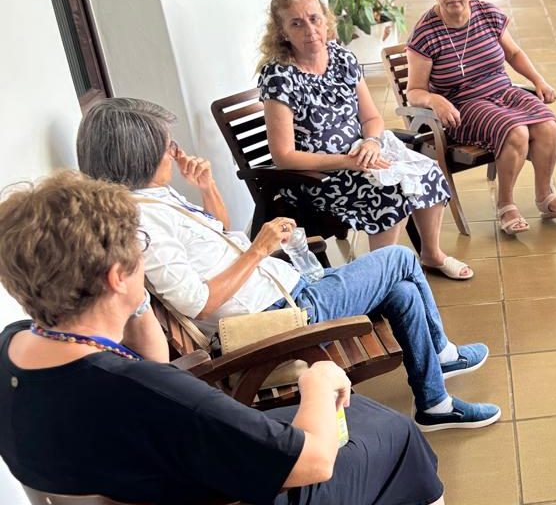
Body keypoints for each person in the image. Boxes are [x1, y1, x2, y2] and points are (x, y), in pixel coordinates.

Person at [0, 171, 446, 505]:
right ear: (116, 275)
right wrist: (320, 380)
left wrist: (129, 303)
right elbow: (312, 462)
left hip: (147, 477)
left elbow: (147, 372)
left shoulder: (14, 347)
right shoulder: (152, 393)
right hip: (239, 491)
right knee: (394, 433)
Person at [77, 97, 500, 432]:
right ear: (139, 154)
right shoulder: (141, 224)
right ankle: (442, 354)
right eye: (164, 144)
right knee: (398, 259)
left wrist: (206, 187)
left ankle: (435, 404)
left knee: (405, 291)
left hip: (289, 289)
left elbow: (222, 232)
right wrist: (259, 250)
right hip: (280, 317)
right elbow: (197, 303)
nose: (173, 151)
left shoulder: (155, 198)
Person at [256, 0, 471, 281]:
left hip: (360, 159)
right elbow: (284, 156)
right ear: (282, 32)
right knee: (389, 194)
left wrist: (370, 142)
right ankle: (378, 280)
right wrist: (347, 161)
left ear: (325, 18)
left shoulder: (342, 58)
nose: (310, 30)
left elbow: (371, 117)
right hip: (316, 179)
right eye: (297, 23)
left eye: (314, 18)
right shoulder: (279, 76)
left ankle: (431, 254)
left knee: (428, 171)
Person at [406, 0, 556, 236]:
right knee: (517, 132)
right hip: (463, 105)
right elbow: (414, 91)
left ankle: (545, 197)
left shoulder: (487, 13)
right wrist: (434, 100)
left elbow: (513, 52)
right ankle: (506, 205)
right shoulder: (426, 34)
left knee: (547, 123)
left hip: (502, 90)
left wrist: (539, 81)